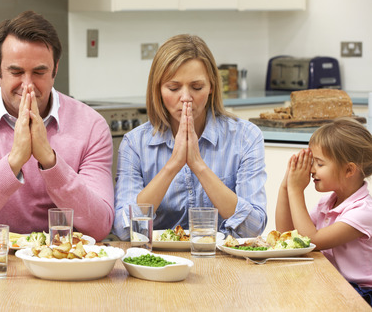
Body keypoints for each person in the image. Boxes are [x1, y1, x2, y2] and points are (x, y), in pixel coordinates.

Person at [0, 10, 114, 242]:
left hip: (65, 265)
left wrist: (50, 162)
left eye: (39, 72)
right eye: (16, 72)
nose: (28, 85)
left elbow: (99, 226)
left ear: (56, 69)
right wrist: (13, 163)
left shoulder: (92, 126)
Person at [113, 34, 267, 240]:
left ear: (211, 86)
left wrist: (198, 165)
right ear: (157, 89)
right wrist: (173, 166)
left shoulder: (246, 137)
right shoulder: (134, 144)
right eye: (173, 88)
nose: (186, 98)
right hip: (157, 262)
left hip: (224, 261)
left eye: (197, 87)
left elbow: (253, 228)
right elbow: (123, 230)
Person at [275, 117, 372, 307]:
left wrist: (296, 191)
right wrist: (285, 188)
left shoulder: (365, 212)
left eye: (319, 164)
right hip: (333, 283)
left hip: (362, 294)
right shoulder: (327, 204)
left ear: (348, 170)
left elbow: (312, 241)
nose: (312, 169)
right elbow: (287, 237)